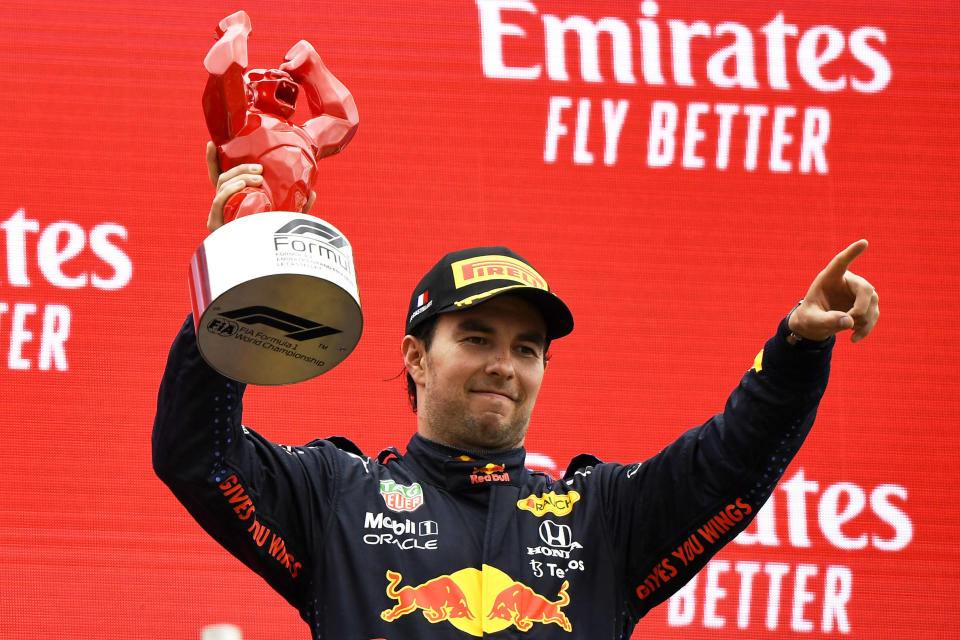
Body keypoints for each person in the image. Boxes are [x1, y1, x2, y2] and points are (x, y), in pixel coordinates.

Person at [154, 160, 878, 638]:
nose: (505, 364)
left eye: (527, 348)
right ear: (415, 357)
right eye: (476, 337)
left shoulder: (603, 516)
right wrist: (237, 283)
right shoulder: (336, 496)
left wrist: (796, 349)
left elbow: (732, 463)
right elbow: (198, 458)